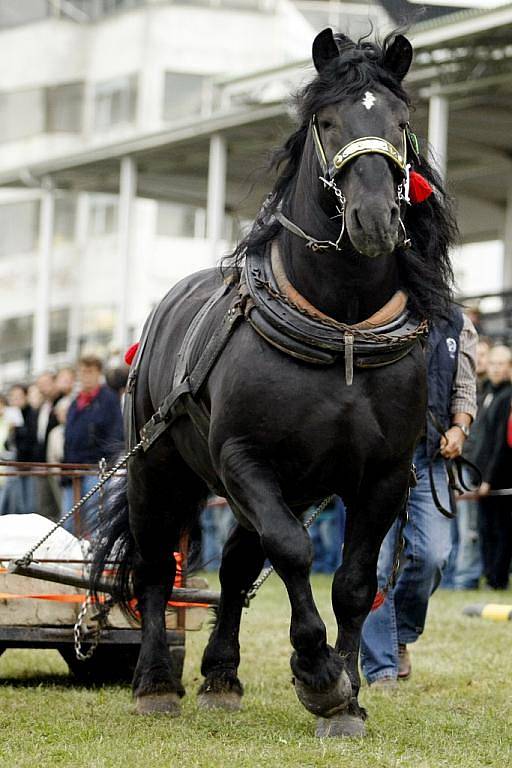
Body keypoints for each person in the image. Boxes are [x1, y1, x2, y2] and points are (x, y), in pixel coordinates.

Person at [360, 308, 477, 686]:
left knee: (433, 557)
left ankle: (400, 635)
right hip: (378, 461)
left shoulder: (458, 323)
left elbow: (464, 387)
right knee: (375, 567)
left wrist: (460, 427)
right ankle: (381, 668)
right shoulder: (378, 311)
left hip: (431, 459)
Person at [62, 355, 123, 537]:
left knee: (95, 517)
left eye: (89, 372)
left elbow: (116, 433)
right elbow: (69, 436)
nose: (85, 376)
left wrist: (106, 462)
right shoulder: (76, 402)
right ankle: (71, 560)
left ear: (98, 373)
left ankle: (93, 558)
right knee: (69, 520)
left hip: (95, 467)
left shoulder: (108, 400)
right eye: (82, 372)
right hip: (73, 467)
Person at [471, 346, 512, 589]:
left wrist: (488, 478)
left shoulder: (507, 397)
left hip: (501, 480)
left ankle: (497, 579)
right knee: (485, 530)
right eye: (493, 363)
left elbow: (500, 442)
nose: (495, 368)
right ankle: (490, 576)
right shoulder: (488, 392)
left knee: (502, 531)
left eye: (501, 364)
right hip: (482, 473)